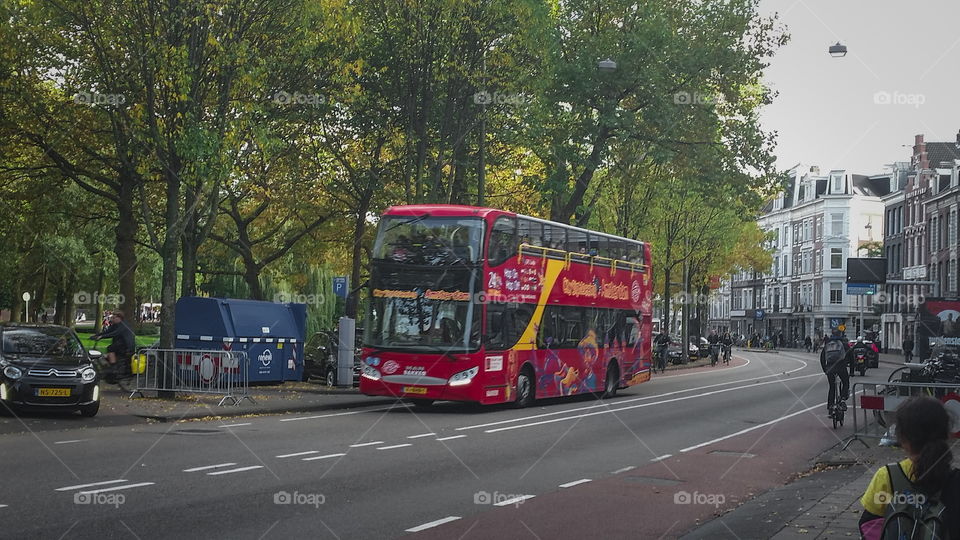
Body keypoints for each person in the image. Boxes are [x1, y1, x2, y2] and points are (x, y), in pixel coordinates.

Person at [858, 396, 960, 538]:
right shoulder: (955, 481)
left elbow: (868, 526)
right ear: (946, 434)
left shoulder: (887, 477)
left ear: (902, 437)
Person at [91, 310, 135, 382]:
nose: (112, 319)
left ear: (119, 318)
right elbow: (107, 331)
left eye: (114, 318)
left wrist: (102, 337)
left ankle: (113, 366)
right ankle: (109, 364)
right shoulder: (115, 325)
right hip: (120, 344)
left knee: (110, 348)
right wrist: (96, 335)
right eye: (112, 318)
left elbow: (115, 333)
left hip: (127, 346)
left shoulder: (123, 325)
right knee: (111, 350)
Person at [820, 329, 851, 416]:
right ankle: (842, 400)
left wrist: (825, 370)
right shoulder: (844, 344)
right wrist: (851, 370)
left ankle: (830, 406)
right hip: (841, 367)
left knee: (832, 387)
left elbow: (822, 358)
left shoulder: (828, 344)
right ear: (840, 334)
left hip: (830, 368)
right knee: (845, 382)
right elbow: (851, 356)